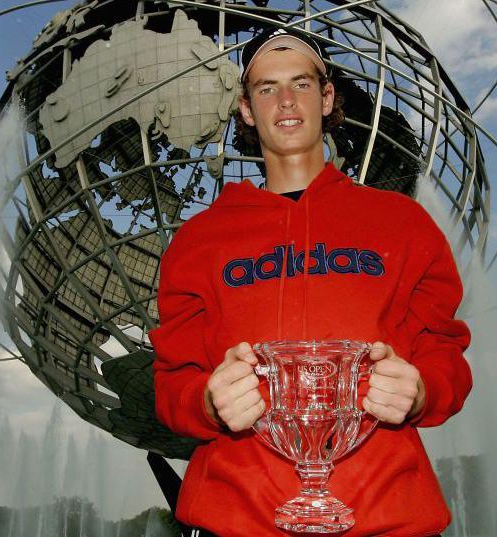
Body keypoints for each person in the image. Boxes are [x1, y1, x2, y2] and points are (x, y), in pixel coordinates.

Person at [150, 27, 473, 537]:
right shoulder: (198, 241)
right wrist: (206, 402)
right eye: (266, 88)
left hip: (386, 519)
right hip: (236, 520)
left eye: (301, 84)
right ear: (246, 110)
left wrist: (422, 391)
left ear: (326, 99)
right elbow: (171, 382)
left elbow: (444, 351)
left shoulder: (403, 223)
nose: (285, 100)